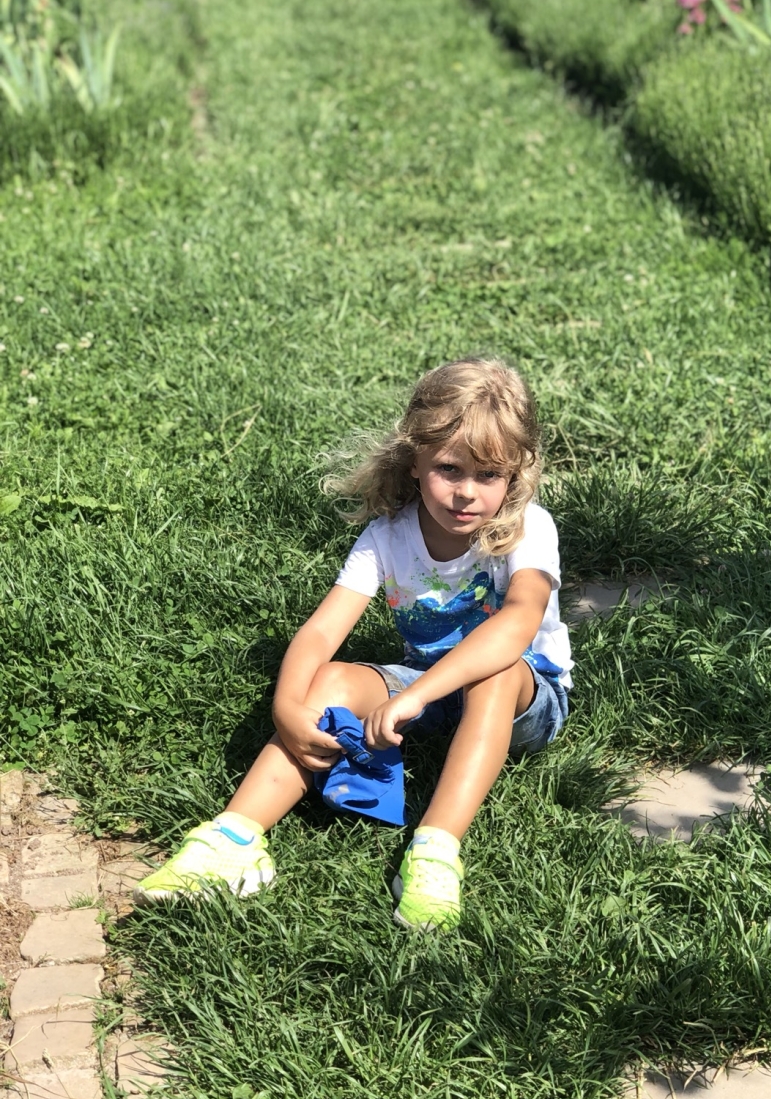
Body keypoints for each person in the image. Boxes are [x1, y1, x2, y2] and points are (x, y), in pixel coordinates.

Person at [134, 358, 572, 930]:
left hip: (523, 698)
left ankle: (434, 851)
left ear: (515, 474)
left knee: (495, 672)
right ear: (414, 460)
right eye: (448, 469)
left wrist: (414, 697)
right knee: (329, 680)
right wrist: (288, 707)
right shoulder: (388, 535)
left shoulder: (527, 528)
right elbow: (322, 631)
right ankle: (232, 838)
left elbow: (515, 624)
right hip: (428, 688)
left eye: (489, 475)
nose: (467, 493)